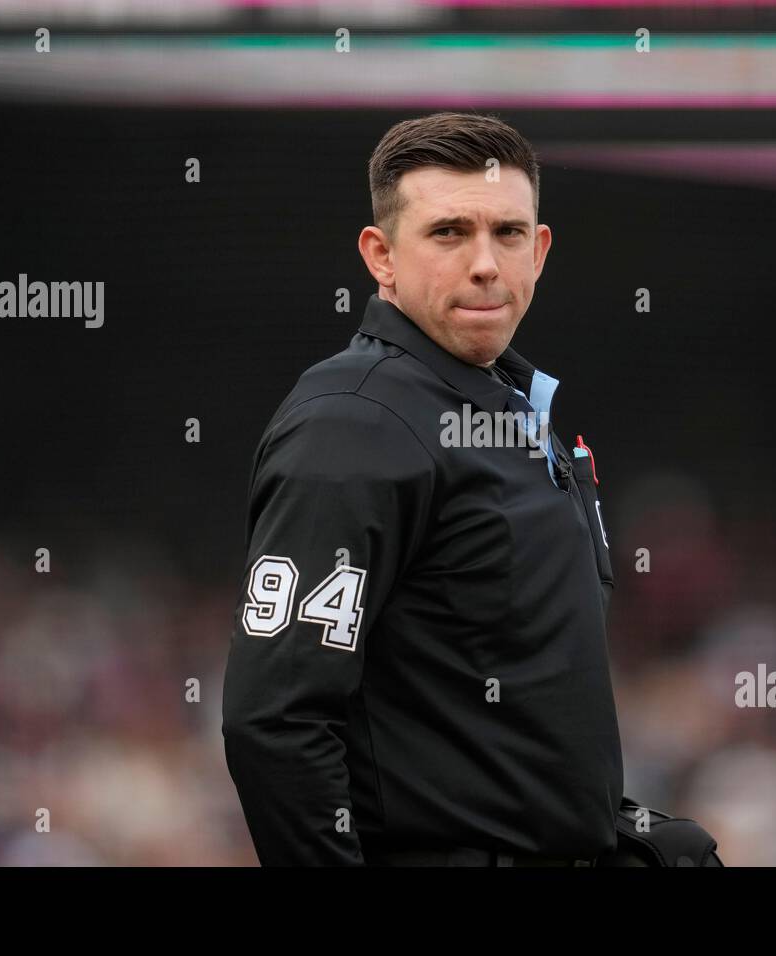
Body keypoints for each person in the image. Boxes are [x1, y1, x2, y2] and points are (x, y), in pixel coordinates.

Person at [222, 111, 628, 866]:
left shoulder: (510, 406)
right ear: (380, 256)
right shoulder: (354, 422)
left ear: (539, 252)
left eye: (508, 234)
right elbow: (273, 719)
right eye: (448, 233)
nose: (484, 263)